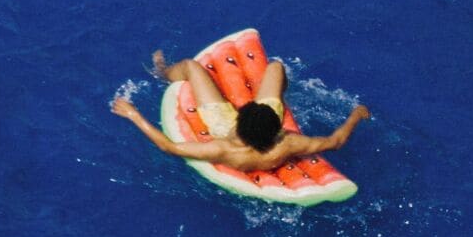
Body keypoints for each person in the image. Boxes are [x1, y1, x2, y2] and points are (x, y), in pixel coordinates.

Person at [110, 48, 366, 173]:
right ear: (276, 125)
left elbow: (169, 147)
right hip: (260, 136)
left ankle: (162, 71)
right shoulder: (287, 144)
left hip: (222, 125)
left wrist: (133, 115)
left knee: (189, 66)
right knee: (276, 67)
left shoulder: (223, 149)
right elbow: (335, 141)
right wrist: (356, 115)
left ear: (240, 122)